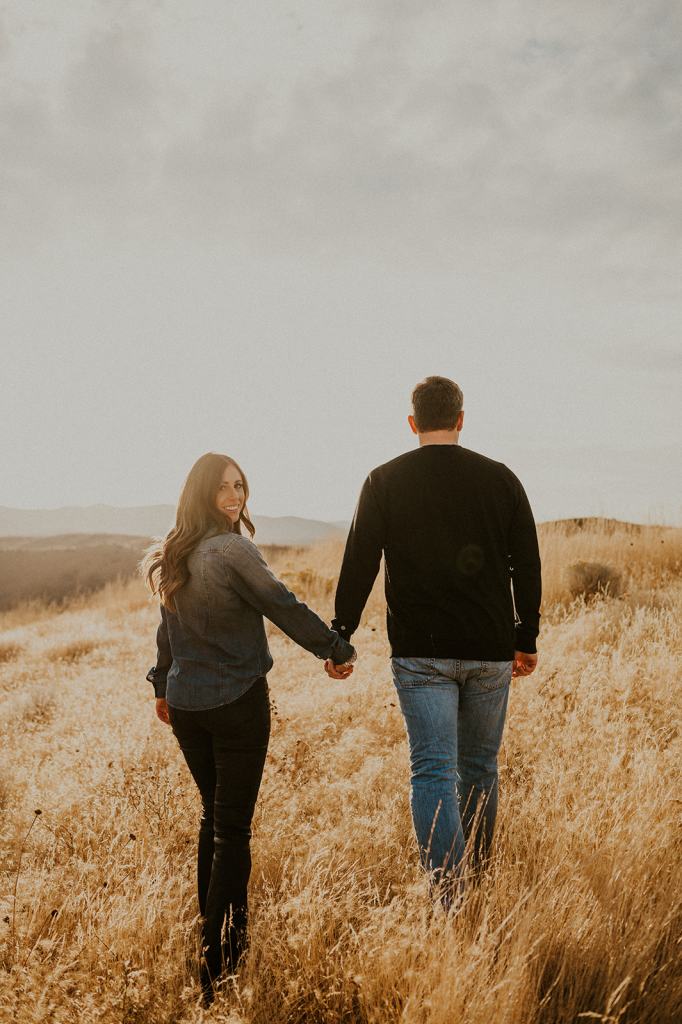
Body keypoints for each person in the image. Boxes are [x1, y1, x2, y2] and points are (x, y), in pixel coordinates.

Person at [141, 452, 356, 1005]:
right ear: (202, 495)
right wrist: (332, 648)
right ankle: (222, 968)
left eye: (240, 486)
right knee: (232, 830)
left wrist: (163, 685)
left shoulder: (175, 551)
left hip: (188, 705)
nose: (234, 497)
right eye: (222, 489)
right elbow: (280, 603)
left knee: (214, 818)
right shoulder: (232, 549)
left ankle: (208, 941)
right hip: (236, 702)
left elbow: (167, 631)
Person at [331, 375, 541, 904]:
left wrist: (342, 632)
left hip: (420, 652)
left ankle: (450, 897)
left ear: (412, 423)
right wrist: (527, 634)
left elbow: (360, 560)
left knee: (432, 771)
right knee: (480, 768)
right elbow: (528, 563)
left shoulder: (384, 480)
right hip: (491, 649)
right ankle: (482, 876)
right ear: (462, 419)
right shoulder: (502, 480)